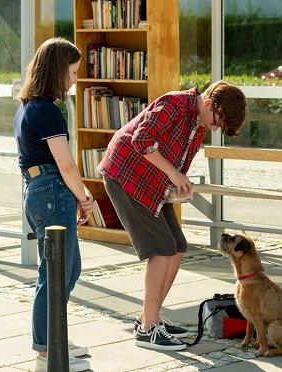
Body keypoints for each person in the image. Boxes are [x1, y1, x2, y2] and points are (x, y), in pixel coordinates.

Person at [97, 80, 247, 351]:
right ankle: (148, 329)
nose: (213, 129)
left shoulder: (198, 124)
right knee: (162, 249)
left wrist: (179, 184)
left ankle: (148, 318)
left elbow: (173, 165)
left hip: (150, 182)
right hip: (125, 175)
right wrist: (173, 174)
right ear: (210, 104)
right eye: (216, 123)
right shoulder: (175, 104)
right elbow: (141, 139)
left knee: (177, 246)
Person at [14, 37, 93, 372]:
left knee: (67, 270)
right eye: (72, 72)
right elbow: (66, 164)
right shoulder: (46, 111)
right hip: (52, 190)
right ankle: (47, 349)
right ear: (58, 70)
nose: (75, 79)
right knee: (55, 273)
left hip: (40, 190)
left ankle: (53, 337)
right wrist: (84, 197)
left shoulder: (28, 107)